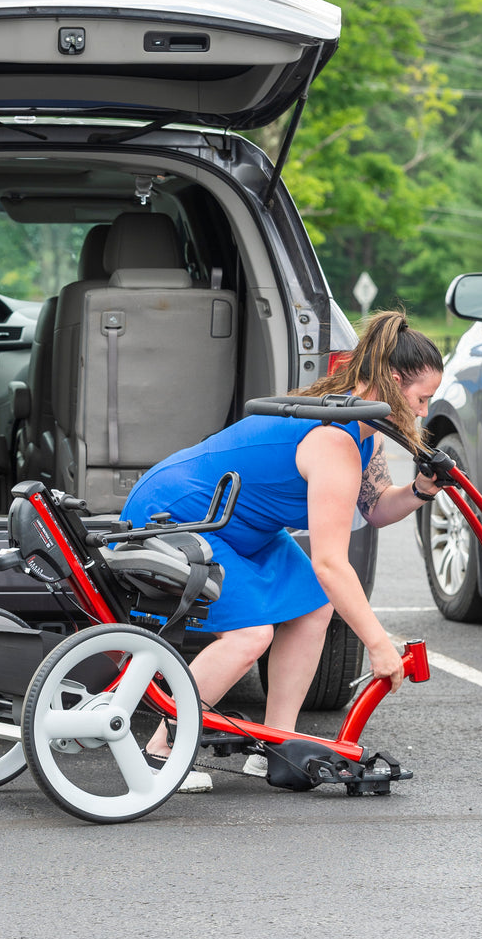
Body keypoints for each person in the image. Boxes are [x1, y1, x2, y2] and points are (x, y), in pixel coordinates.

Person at [120, 309, 445, 791]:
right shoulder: (335, 441)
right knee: (250, 635)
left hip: (237, 523)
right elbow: (332, 561)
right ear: (394, 382)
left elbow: (374, 507)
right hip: (176, 512)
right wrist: (379, 644)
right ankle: (159, 752)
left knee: (313, 605)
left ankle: (278, 744)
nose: (422, 413)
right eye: (422, 400)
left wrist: (421, 489)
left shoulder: (363, 430)